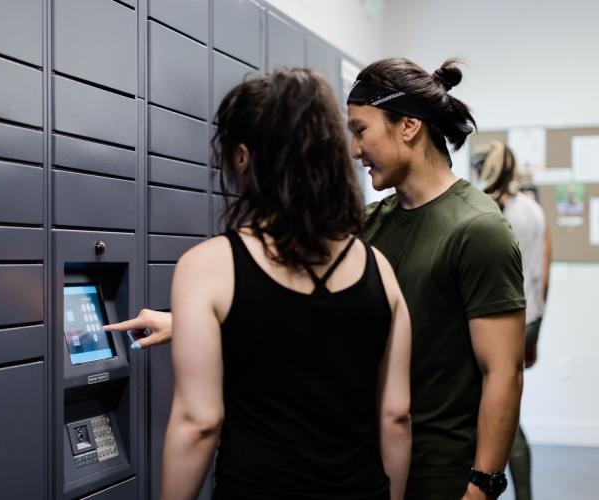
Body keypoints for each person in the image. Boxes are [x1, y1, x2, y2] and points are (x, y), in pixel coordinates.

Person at [108, 58, 526, 500]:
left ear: (407, 127)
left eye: (361, 130)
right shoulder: (368, 227)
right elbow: (314, 314)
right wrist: (195, 324)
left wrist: (482, 485)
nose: (353, 149)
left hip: (441, 475)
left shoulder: (478, 229)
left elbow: (503, 371)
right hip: (375, 464)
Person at [153, 68, 412, 500]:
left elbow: (198, 423)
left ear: (242, 157)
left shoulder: (208, 267)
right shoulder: (379, 270)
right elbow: (397, 415)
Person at [471, 141, 552, 500]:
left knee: (505, 416)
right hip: (530, 317)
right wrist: (535, 334)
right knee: (509, 408)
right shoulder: (533, 210)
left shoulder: (483, 213)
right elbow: (543, 274)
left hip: (498, 322)